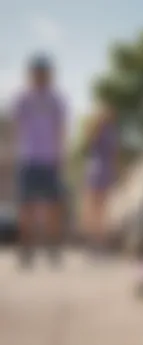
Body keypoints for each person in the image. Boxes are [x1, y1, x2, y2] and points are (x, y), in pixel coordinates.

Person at [13, 55, 67, 269]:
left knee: (53, 206)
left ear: (50, 74)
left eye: (44, 72)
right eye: (37, 71)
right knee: (26, 207)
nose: (40, 75)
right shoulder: (22, 99)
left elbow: (61, 130)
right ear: (31, 74)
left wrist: (61, 156)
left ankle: (53, 249)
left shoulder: (56, 100)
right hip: (28, 159)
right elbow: (16, 127)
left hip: (51, 160)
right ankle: (26, 250)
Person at [81, 101, 119, 259]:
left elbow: (114, 154)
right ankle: (96, 244)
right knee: (96, 209)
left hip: (101, 170)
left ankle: (98, 244)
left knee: (99, 209)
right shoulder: (102, 131)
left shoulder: (107, 131)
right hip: (98, 170)